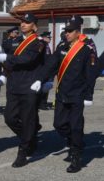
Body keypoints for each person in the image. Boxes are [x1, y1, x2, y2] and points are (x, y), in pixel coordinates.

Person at [35, 21, 98, 173]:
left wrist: (89, 95)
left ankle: (76, 157)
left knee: (75, 125)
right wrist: (40, 79)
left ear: (78, 32)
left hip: (78, 94)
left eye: (70, 31)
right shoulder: (61, 47)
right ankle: (74, 141)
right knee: (59, 124)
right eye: (66, 31)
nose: (67, 33)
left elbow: (90, 75)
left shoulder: (85, 50)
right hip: (62, 93)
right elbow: (50, 65)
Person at [0, 13, 45, 167]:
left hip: (29, 86)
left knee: (27, 118)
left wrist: (7, 58)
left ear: (34, 26)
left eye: (27, 22)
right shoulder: (14, 41)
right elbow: (11, 63)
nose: (23, 24)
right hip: (14, 85)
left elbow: (27, 59)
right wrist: (4, 73)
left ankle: (23, 152)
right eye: (22, 22)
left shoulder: (38, 43)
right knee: (9, 118)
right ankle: (29, 137)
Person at [37, 31, 54, 110]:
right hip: (42, 70)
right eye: (48, 37)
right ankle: (40, 103)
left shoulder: (47, 45)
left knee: (46, 87)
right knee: (41, 88)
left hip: (47, 70)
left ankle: (43, 103)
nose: (50, 38)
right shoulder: (41, 44)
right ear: (44, 38)